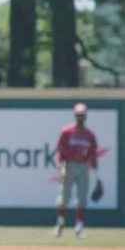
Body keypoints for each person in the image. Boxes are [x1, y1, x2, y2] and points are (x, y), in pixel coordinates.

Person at [53, 102, 98, 239]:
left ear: (86, 117)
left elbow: (92, 154)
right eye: (78, 115)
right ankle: (60, 223)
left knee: (82, 198)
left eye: (82, 115)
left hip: (83, 166)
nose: (80, 117)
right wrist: (61, 167)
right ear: (74, 115)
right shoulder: (67, 132)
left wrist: (96, 174)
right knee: (63, 198)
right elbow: (60, 150)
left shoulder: (89, 135)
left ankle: (79, 226)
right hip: (69, 165)